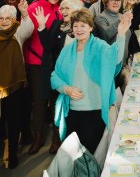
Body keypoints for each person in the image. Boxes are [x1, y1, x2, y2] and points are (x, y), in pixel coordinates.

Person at [51, 8, 130, 154]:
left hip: (94, 110)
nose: (79, 29)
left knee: (91, 153)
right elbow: (55, 76)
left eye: (83, 25)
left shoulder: (100, 46)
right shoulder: (67, 50)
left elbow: (115, 58)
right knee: (74, 154)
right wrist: (66, 89)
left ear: (91, 28)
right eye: (75, 26)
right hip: (72, 111)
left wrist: (120, 34)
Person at [0, 5, 31, 168]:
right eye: (1, 18)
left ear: (13, 20)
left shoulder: (17, 32)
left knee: (13, 119)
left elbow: (29, 28)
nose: (4, 21)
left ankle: (12, 155)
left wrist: (24, 14)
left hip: (13, 83)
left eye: (8, 18)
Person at [25, 0, 67, 155]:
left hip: (55, 63)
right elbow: (26, 33)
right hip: (37, 62)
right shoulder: (34, 7)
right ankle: (38, 137)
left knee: (56, 100)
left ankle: (56, 138)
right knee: (39, 101)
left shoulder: (60, 11)